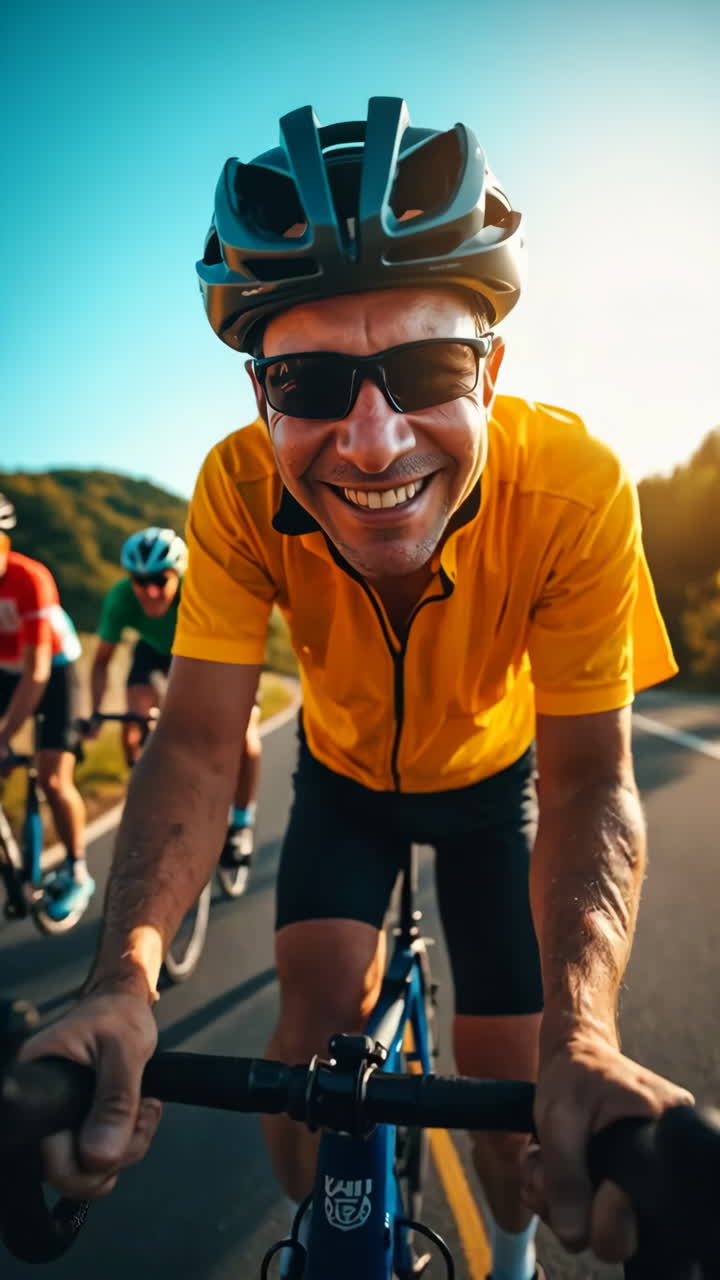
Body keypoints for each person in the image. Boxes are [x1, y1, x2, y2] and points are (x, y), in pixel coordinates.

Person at [22, 98, 692, 1277]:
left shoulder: (578, 488)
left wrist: (583, 1032)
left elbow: (592, 772)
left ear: (492, 365)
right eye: (313, 382)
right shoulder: (233, 490)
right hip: (340, 780)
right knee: (310, 1033)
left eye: (427, 367)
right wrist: (124, 976)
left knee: (515, 1089)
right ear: (259, 396)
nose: (373, 441)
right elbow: (190, 739)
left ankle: (518, 1253)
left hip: (496, 790)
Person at [88, 526, 261, 868]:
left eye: (159, 581)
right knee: (134, 722)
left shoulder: (202, 592)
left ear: (178, 577)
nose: (149, 592)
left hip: (213, 650)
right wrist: (94, 713)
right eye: (140, 582)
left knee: (246, 738)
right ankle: (148, 798)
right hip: (153, 652)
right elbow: (101, 661)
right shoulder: (121, 597)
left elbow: (236, 650)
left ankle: (241, 823)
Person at [0, 493, 94, 921]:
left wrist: (3, 738)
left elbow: (36, 672)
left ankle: (77, 871)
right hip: (4, 669)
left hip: (54, 669)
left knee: (54, 777)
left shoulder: (30, 578)